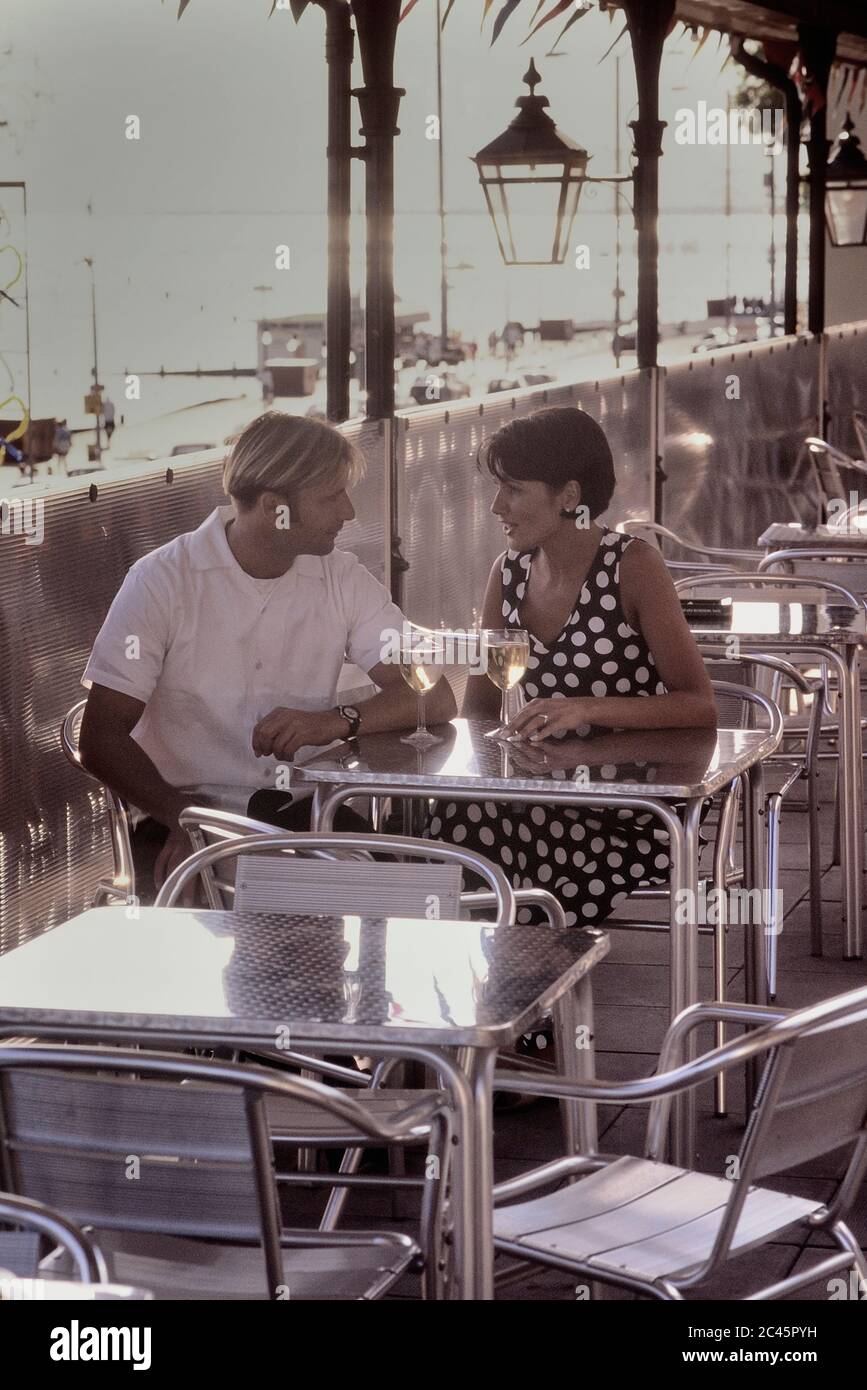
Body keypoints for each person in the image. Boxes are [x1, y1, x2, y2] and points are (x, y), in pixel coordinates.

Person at [79, 411, 456, 900]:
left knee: (425, 896)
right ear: (275, 506)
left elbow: (434, 696)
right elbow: (100, 736)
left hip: (305, 818)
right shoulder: (162, 580)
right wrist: (180, 820)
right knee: (364, 902)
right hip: (184, 818)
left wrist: (336, 720)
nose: (349, 512)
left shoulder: (341, 576)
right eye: (331, 496)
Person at [427, 406, 716, 930]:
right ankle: (492, 974)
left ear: (569, 496)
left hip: (631, 811)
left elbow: (699, 706)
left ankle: (519, 976)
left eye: (513, 488)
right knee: (451, 811)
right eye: (498, 487)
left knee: (489, 829)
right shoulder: (509, 573)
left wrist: (583, 708)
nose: (496, 506)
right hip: (545, 791)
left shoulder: (633, 567)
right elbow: (480, 710)